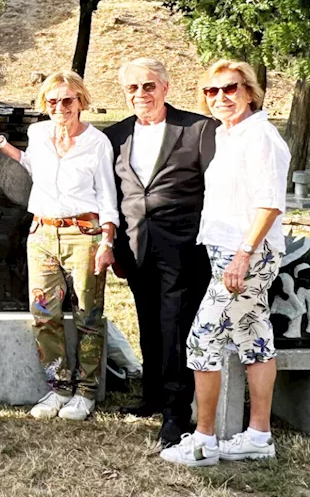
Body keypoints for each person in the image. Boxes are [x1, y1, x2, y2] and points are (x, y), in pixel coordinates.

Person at [161, 60, 288, 467]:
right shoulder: (228, 135)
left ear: (249, 91)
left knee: (202, 340)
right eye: (212, 92)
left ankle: (203, 441)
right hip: (228, 252)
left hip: (245, 254)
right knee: (255, 338)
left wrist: (243, 254)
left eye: (230, 89)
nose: (221, 98)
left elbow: (269, 203)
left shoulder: (260, 137)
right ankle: (258, 436)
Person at [0, 70, 118, 421]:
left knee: (88, 314)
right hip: (42, 233)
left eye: (67, 100)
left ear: (81, 102)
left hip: (84, 234)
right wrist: (2, 146)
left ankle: (86, 392)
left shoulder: (97, 143)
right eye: (53, 101)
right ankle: (57, 387)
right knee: (44, 315)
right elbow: (31, 165)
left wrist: (107, 240)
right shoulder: (38, 134)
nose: (60, 107)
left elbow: (107, 194)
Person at [102, 58, 215, 447]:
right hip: (135, 245)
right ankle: (151, 395)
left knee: (175, 326)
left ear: (166, 87)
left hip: (184, 246)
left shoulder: (198, 129)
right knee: (147, 319)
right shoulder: (115, 135)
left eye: (148, 86)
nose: (140, 94)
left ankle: (175, 412)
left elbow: (214, 189)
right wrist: (114, 244)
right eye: (132, 88)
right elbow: (113, 195)